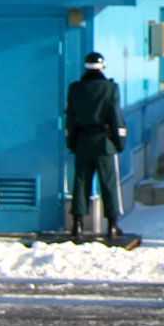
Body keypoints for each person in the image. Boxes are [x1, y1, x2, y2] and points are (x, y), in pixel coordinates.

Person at [65, 51, 128, 241]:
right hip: (104, 142)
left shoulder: (75, 88)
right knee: (108, 183)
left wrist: (72, 142)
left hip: (83, 141)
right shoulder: (110, 88)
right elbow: (115, 117)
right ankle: (112, 224)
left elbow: (70, 119)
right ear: (103, 67)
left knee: (81, 181)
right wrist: (120, 142)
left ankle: (77, 224)